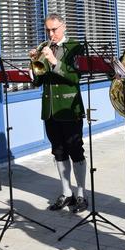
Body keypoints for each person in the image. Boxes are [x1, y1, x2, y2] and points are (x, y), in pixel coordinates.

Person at [30, 14, 87, 213]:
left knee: (75, 150)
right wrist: (33, 64)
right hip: (50, 109)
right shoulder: (42, 47)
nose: (51, 34)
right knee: (58, 151)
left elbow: (75, 77)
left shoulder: (76, 47)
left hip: (70, 108)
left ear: (64, 26)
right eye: (48, 30)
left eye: (54, 29)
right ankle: (66, 192)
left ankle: (80, 194)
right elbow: (37, 81)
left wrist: (53, 60)